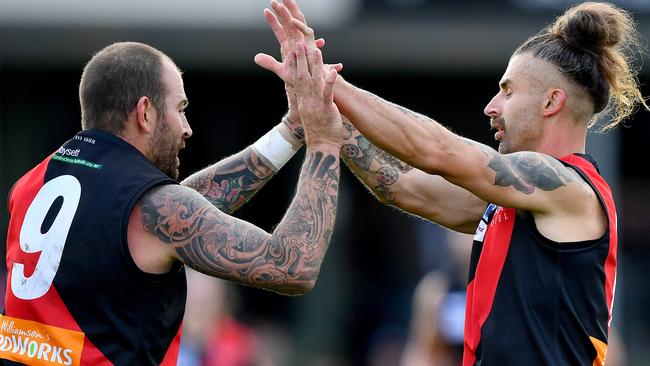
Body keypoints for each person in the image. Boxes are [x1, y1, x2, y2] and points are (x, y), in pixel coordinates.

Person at [256, 1, 648, 365]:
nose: (490, 107)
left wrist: (328, 83)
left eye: (507, 91)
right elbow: (402, 187)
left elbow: (436, 151)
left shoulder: (568, 188)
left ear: (551, 102)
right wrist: (325, 116)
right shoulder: (520, 202)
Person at [2, 41, 343, 365]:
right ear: (145, 113)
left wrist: (292, 129)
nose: (187, 127)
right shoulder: (148, 207)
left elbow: (177, 209)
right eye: (180, 109)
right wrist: (325, 140)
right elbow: (293, 266)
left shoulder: (33, 182)